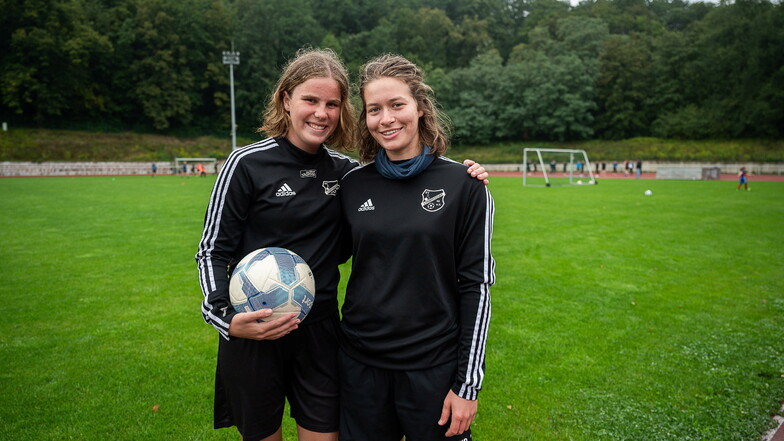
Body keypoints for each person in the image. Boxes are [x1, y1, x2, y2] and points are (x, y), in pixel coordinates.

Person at [195, 48, 489, 441]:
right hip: (270, 335)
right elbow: (212, 251)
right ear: (286, 99)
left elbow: (467, 279)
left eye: (332, 103)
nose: (321, 112)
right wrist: (225, 317)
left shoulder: (348, 174)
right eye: (310, 100)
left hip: (330, 335)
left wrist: (465, 175)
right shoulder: (258, 166)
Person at [338, 54, 495, 441]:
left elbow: (476, 286)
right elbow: (323, 255)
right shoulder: (354, 184)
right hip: (361, 367)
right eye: (374, 109)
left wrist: (467, 386)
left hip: (433, 369)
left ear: (421, 108)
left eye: (397, 105)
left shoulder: (465, 185)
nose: (386, 119)